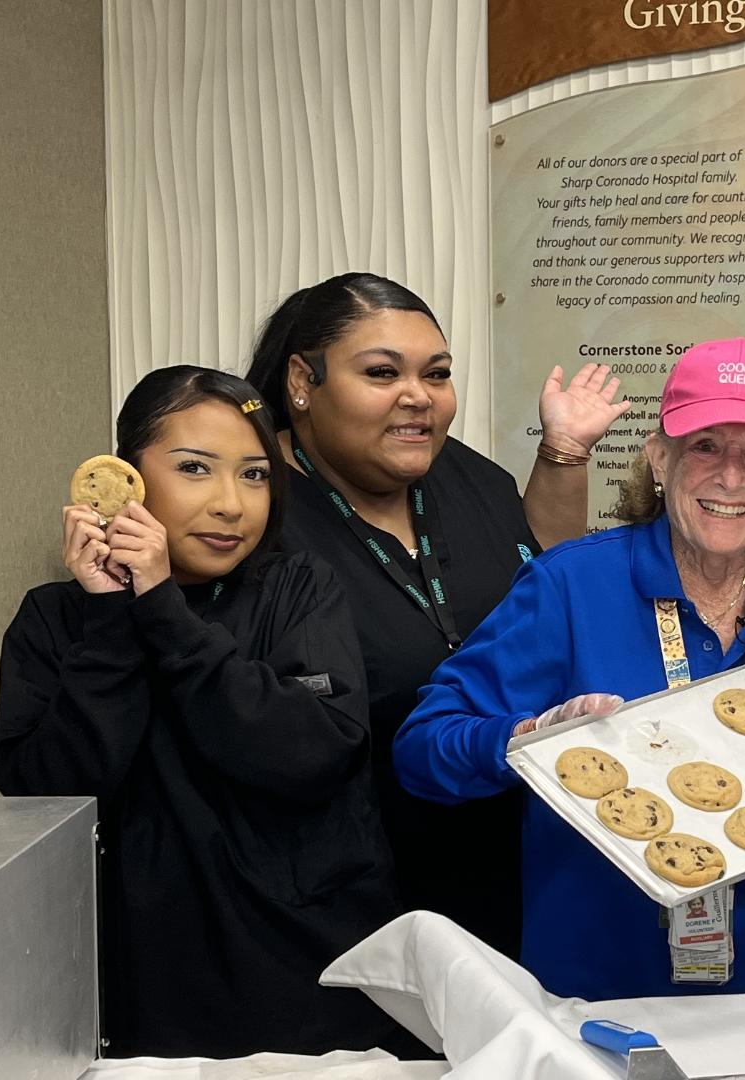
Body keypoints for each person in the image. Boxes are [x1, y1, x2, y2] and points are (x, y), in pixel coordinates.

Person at [392, 339, 745, 1000]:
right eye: (705, 446)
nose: (730, 477)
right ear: (659, 458)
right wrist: (526, 741)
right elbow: (421, 750)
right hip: (597, 1001)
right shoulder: (571, 587)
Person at [0, 367, 402, 1058]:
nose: (231, 505)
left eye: (254, 475)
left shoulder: (299, 589)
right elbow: (48, 799)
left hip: (308, 972)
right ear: (125, 480)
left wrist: (163, 612)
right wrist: (114, 618)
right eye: (194, 468)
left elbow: (313, 754)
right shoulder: (56, 618)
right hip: (136, 978)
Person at [244, 272, 626, 954]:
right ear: (302, 382)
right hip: (340, 893)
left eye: (437, 373)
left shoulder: (472, 479)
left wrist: (564, 454)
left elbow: (543, 578)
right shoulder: (248, 514)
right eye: (382, 372)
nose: (418, 396)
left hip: (500, 867)